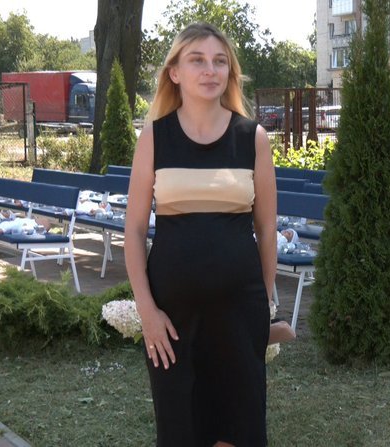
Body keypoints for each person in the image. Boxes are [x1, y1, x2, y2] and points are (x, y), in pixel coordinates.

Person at [124, 22, 276, 446]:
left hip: (240, 315)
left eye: (219, 61)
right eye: (197, 60)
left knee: (239, 432)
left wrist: (264, 304)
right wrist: (147, 312)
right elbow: (134, 231)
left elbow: (266, 229)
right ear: (175, 72)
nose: (210, 70)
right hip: (172, 321)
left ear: (230, 72)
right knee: (181, 432)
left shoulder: (252, 138)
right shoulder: (154, 138)